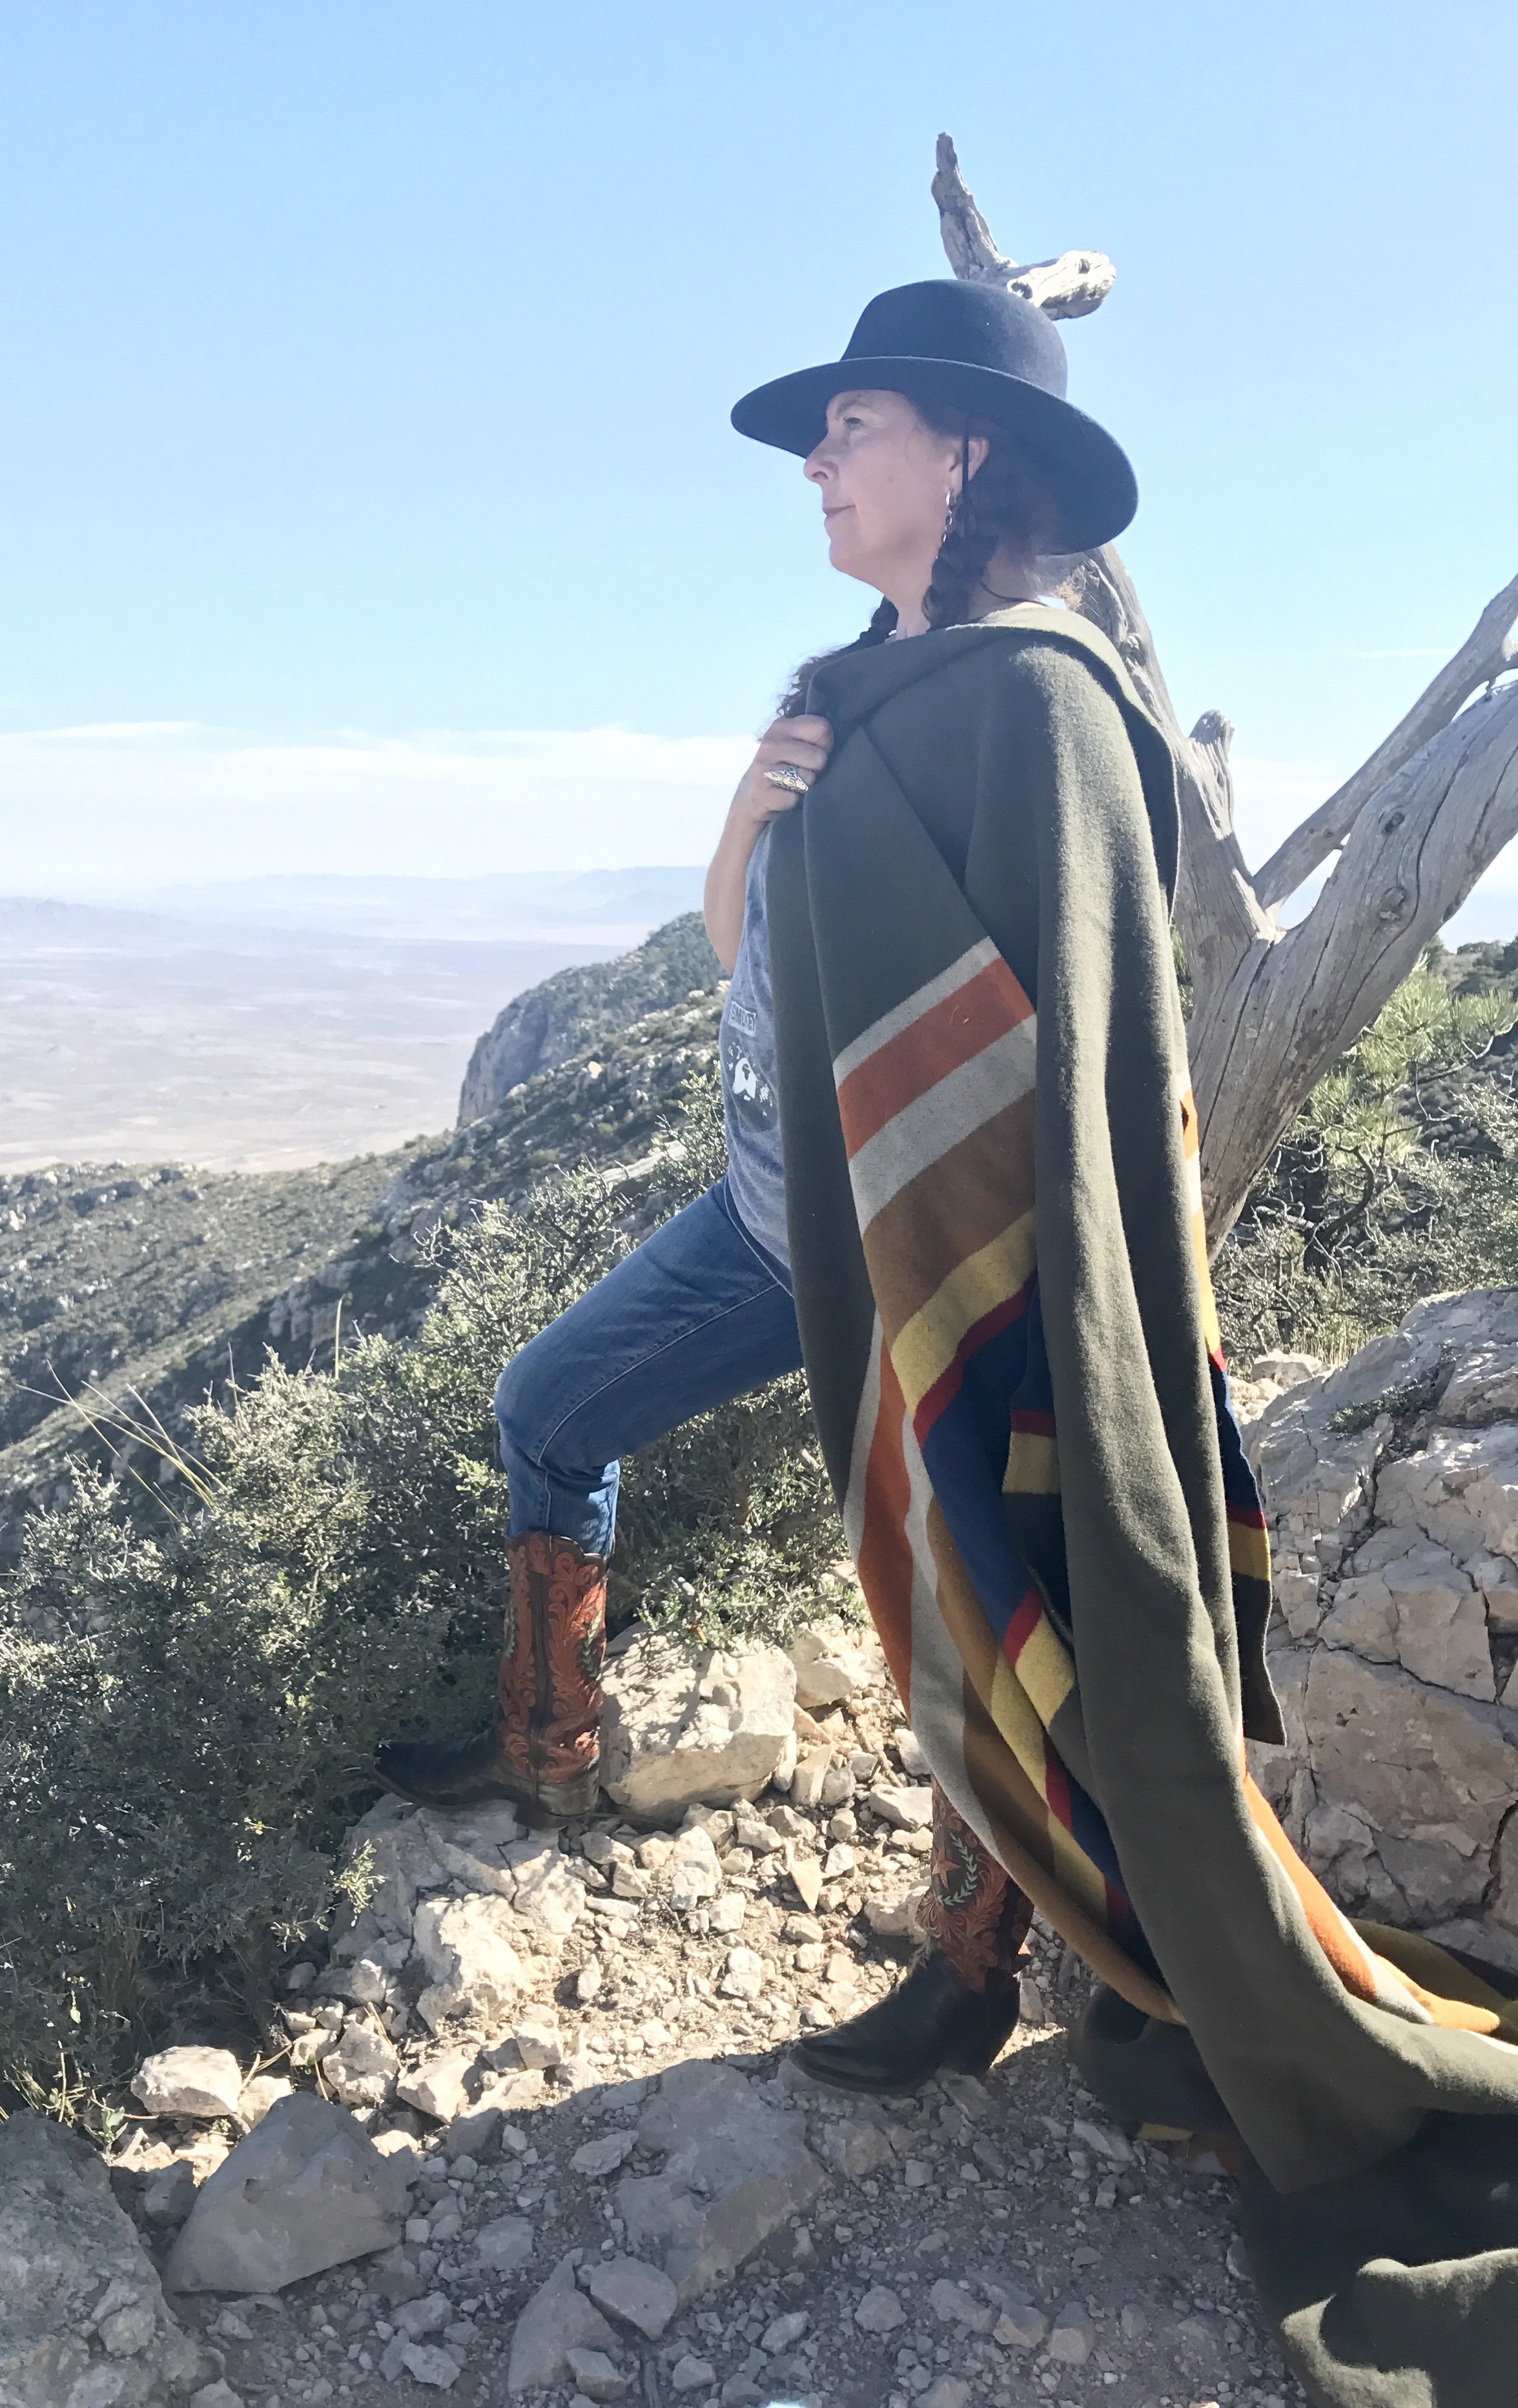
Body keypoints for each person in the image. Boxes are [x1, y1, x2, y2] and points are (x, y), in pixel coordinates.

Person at [376, 276, 1149, 2094]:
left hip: (926, 1249)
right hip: (766, 1216)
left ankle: (979, 1957)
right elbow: (742, 943)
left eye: (852, 426)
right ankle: (547, 1739)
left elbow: (1090, 1018)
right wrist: (750, 807)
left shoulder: (1033, 696)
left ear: (965, 456)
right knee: (550, 1397)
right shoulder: (840, 690)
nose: (815, 457)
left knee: (960, 1594)